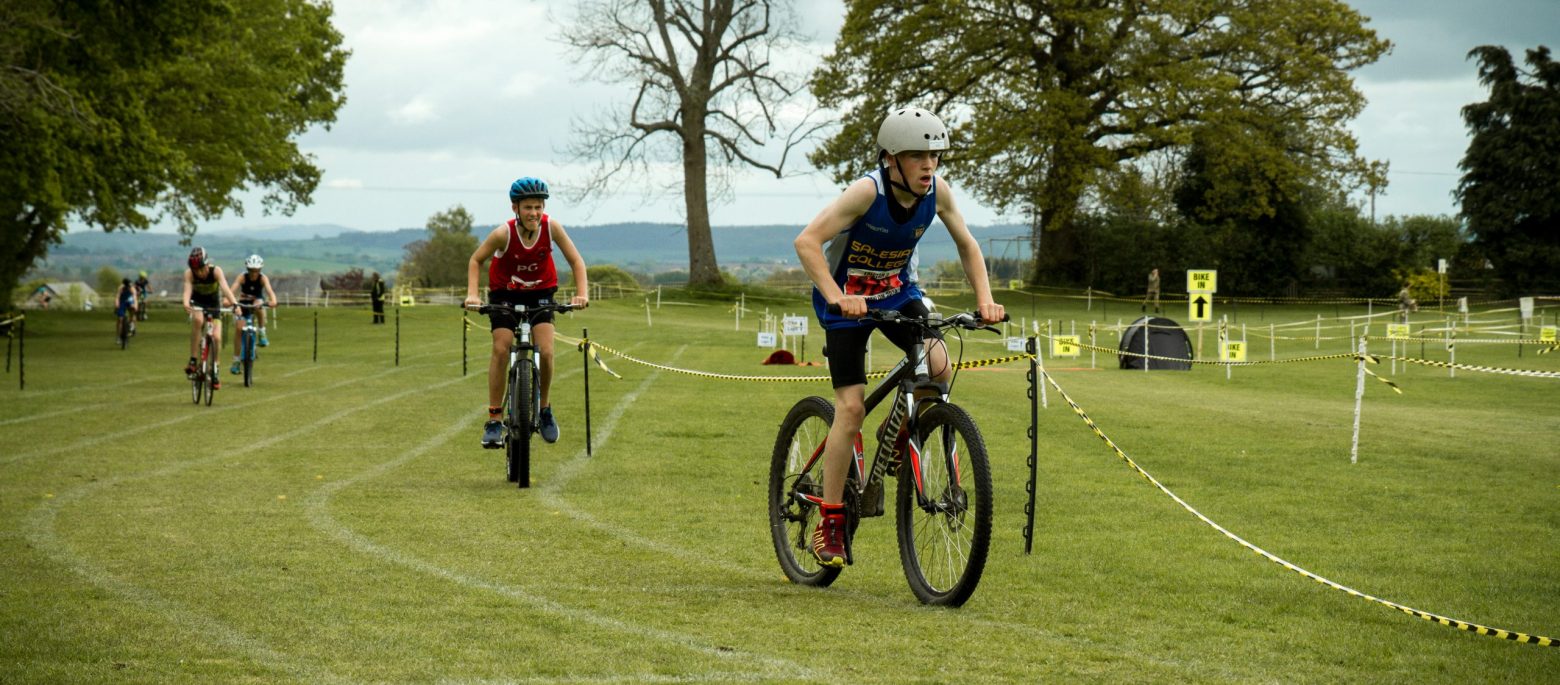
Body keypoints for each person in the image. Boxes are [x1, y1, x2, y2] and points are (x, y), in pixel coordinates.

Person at [793, 107, 1004, 567]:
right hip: (846, 300)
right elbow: (807, 242)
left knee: (941, 363)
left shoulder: (937, 193)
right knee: (849, 409)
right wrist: (834, 296)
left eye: (935, 156)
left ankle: (908, 428)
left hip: (896, 291)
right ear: (891, 159)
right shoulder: (866, 193)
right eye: (916, 156)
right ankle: (830, 522)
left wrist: (985, 299)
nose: (929, 165)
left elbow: (967, 244)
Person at [464, 177, 590, 448]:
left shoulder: (551, 227)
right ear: (515, 209)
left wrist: (582, 294)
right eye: (528, 207)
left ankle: (544, 409)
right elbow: (476, 260)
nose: (534, 213)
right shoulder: (503, 234)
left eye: (538, 207)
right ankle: (495, 419)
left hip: (541, 292)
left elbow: (576, 261)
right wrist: (473, 294)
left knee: (546, 350)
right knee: (501, 347)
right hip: (505, 293)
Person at [181, 247, 240, 389]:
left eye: (201, 269)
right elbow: (187, 290)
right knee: (198, 320)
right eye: (196, 270)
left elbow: (225, 288)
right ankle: (194, 360)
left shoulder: (216, 271)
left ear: (207, 264)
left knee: (217, 337)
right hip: (198, 304)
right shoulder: (189, 274)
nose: (199, 273)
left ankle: (215, 369)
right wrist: (185, 302)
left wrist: (235, 304)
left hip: (214, 305)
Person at [230, 254, 279, 374]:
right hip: (243, 304)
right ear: (247, 269)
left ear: (260, 270)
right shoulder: (242, 277)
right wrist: (229, 301)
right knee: (239, 328)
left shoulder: (263, 278)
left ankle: (262, 332)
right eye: (251, 270)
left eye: (256, 271)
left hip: (257, 301)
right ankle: (236, 361)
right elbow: (232, 291)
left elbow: (269, 291)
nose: (253, 273)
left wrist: (273, 301)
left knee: (259, 305)